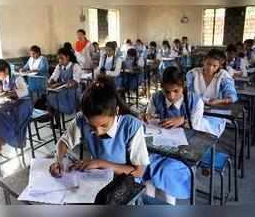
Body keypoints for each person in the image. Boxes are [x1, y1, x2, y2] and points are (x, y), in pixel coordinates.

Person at [49, 76, 149, 178]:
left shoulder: (131, 126)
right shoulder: (82, 119)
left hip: (125, 182)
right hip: (99, 178)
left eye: (104, 125)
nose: (98, 132)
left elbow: (138, 172)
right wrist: (59, 160)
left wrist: (100, 163)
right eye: (91, 126)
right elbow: (63, 142)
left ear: (116, 111)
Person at [143, 66, 208, 204]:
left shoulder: (195, 102)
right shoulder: (156, 98)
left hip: (184, 151)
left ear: (183, 86)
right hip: (159, 148)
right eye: (167, 91)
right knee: (145, 165)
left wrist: (183, 120)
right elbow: (150, 121)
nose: (171, 96)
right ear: (161, 87)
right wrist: (147, 118)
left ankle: (169, 206)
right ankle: (149, 204)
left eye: (176, 91)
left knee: (167, 171)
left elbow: (198, 132)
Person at [0, 59, 33, 162]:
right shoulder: (4, 79)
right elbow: (5, 91)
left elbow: (24, 92)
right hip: (12, 106)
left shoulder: (17, 78)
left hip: (22, 107)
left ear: (6, 70)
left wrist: (6, 94)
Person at [186, 49, 238, 137]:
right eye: (208, 64)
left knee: (199, 128)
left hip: (214, 113)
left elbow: (232, 96)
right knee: (189, 126)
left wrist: (218, 101)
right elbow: (188, 93)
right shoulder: (193, 74)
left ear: (219, 66)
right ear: (204, 61)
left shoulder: (223, 76)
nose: (210, 68)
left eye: (215, 66)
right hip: (193, 110)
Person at [48, 48, 82, 116]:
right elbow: (54, 77)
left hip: (74, 89)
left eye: (61, 58)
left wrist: (61, 84)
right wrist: (50, 83)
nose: (59, 60)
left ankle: (68, 110)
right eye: (58, 58)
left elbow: (75, 82)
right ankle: (56, 112)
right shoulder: (59, 66)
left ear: (68, 57)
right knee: (50, 95)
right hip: (64, 88)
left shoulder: (75, 66)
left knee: (56, 95)